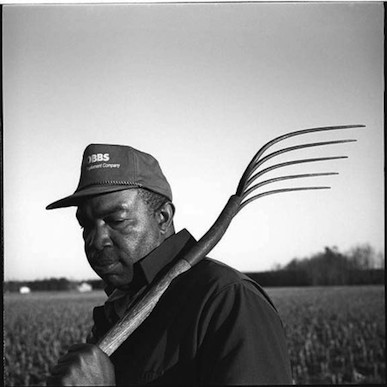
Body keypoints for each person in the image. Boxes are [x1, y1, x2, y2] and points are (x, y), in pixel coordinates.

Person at [46, 143, 293, 386]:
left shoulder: (226, 300)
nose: (96, 240)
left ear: (163, 217)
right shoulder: (116, 310)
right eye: (86, 224)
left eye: (116, 220)